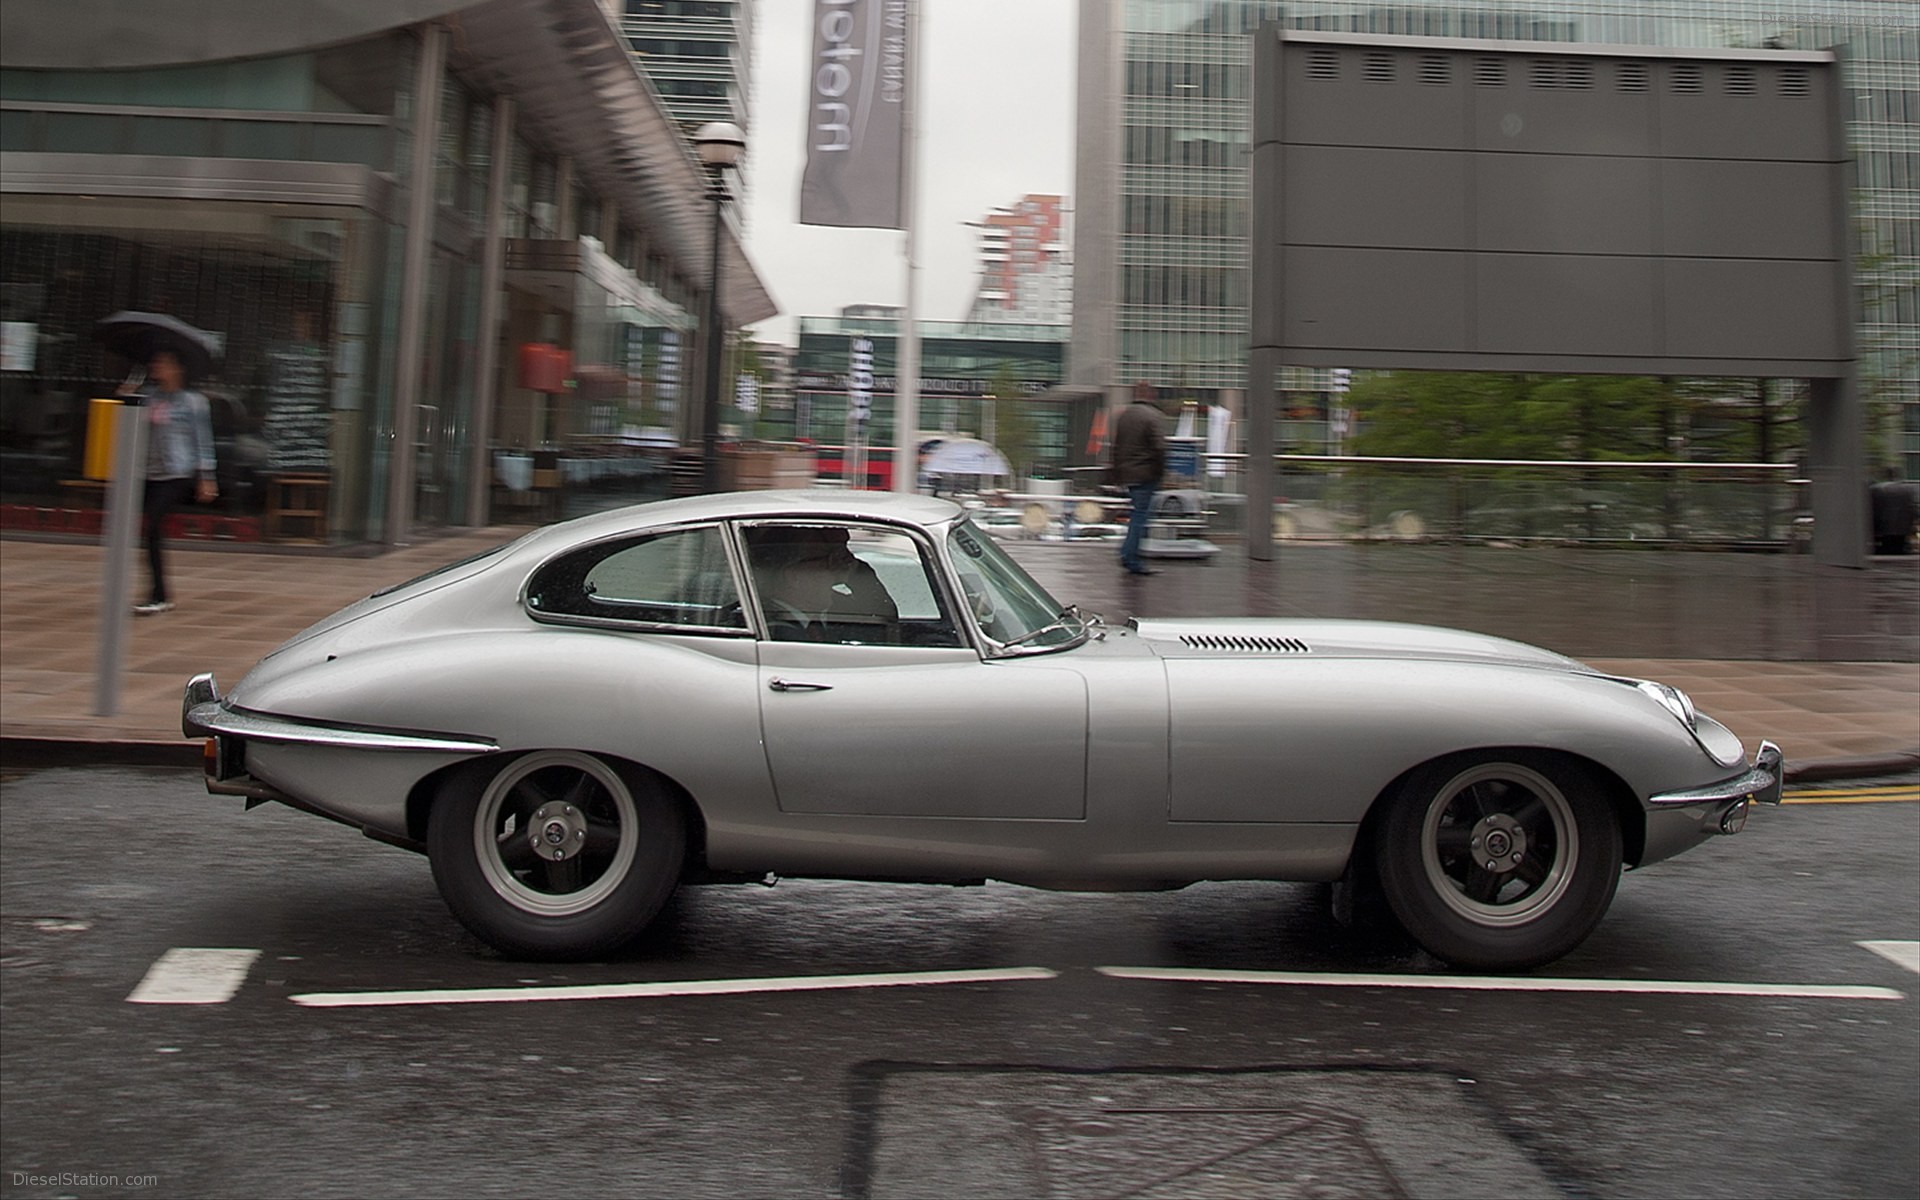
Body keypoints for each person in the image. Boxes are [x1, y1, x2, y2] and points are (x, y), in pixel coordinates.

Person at [120, 348, 216, 614]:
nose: (157, 367)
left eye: (163, 363)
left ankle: (159, 595)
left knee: (152, 527)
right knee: (148, 532)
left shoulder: (193, 402)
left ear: (177, 368)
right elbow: (132, 429)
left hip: (177, 474)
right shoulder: (149, 397)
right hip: (149, 472)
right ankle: (156, 592)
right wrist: (126, 400)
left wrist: (206, 476)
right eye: (156, 362)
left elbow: (203, 440)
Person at [746, 524, 897, 641]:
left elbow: (884, 618)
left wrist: (854, 569)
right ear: (794, 576)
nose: (836, 569)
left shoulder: (835, 609)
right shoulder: (773, 629)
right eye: (827, 561)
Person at [1110, 381, 1168, 576]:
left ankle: (1128, 553)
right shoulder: (1153, 416)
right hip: (1146, 473)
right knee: (1140, 516)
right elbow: (1160, 448)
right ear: (1150, 395)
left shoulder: (1125, 415)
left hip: (1128, 474)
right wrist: (1161, 472)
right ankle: (1131, 557)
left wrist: (1117, 474)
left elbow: (1117, 447)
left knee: (1136, 514)